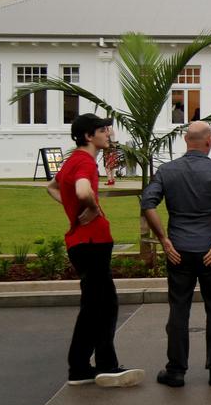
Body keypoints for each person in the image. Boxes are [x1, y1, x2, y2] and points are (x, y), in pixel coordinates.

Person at [47, 113, 144, 388]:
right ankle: (96, 366)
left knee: (98, 305)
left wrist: (72, 211)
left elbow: (51, 187)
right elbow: (81, 190)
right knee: (100, 306)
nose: (108, 133)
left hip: (83, 243)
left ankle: (90, 366)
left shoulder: (72, 161)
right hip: (92, 243)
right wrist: (89, 208)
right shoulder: (85, 161)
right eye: (103, 129)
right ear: (89, 136)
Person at [140, 121, 211, 387]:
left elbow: (148, 203)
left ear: (185, 140)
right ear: (209, 142)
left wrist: (164, 240)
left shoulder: (167, 170)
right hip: (209, 251)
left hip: (179, 250)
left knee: (179, 309)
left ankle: (176, 370)